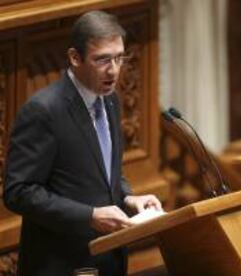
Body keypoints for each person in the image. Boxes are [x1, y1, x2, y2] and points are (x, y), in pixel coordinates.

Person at [3, 10, 162, 276]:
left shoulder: (110, 100)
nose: (113, 70)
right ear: (75, 58)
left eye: (119, 58)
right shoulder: (44, 111)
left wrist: (128, 197)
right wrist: (89, 216)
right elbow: (18, 192)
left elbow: (105, 170)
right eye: (102, 60)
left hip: (108, 260)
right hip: (61, 264)